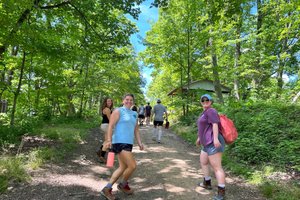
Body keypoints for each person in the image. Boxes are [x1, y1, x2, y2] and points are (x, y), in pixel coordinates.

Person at [100, 93, 144, 200]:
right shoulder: (118, 111)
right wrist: (109, 140)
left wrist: (139, 142)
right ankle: (123, 184)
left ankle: (107, 188)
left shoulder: (134, 114)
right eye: (127, 99)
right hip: (119, 142)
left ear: (133, 101)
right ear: (123, 100)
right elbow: (110, 125)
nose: (129, 101)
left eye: (131, 100)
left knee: (123, 167)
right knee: (132, 165)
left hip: (128, 143)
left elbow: (136, 130)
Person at [196, 94, 226, 200]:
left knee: (217, 167)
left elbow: (214, 124)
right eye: (202, 100)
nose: (205, 102)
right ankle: (207, 183)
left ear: (211, 101)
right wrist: (199, 138)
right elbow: (203, 127)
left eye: (207, 100)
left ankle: (221, 192)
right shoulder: (204, 112)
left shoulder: (211, 111)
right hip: (205, 143)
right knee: (203, 162)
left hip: (213, 143)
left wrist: (216, 139)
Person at [96, 97, 114, 162]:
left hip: (104, 125)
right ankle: (102, 156)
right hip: (107, 125)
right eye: (108, 101)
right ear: (105, 102)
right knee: (108, 141)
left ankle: (99, 151)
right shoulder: (107, 109)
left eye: (110, 101)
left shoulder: (106, 109)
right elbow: (110, 119)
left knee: (106, 140)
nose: (110, 102)